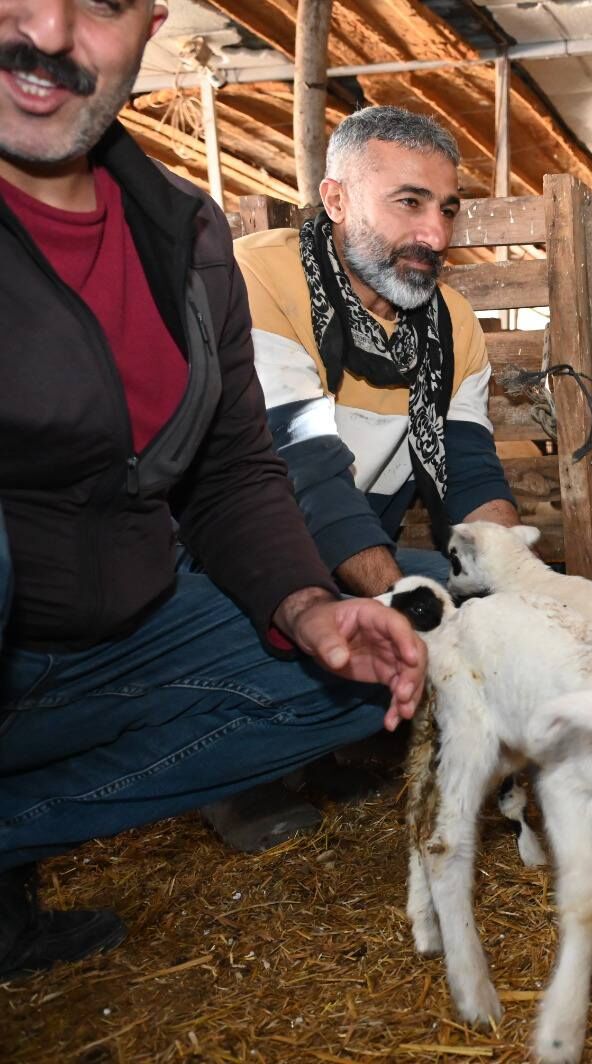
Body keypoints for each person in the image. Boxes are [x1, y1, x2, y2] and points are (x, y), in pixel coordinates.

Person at [0, 0, 426, 978]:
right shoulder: (272, 267)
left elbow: (231, 461)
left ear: (149, 21)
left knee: (413, 625)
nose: (53, 34)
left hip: (119, 618)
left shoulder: (185, 235)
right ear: (335, 198)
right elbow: (307, 439)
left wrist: (312, 603)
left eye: (100, 3)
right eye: (404, 203)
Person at [230, 105, 520, 600]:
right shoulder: (256, 279)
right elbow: (303, 469)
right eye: (410, 202)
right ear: (337, 200)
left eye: (447, 210)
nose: (436, 235)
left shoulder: (452, 322)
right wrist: (403, 608)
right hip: (236, 556)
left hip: (353, 551)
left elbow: (467, 472)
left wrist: (520, 587)